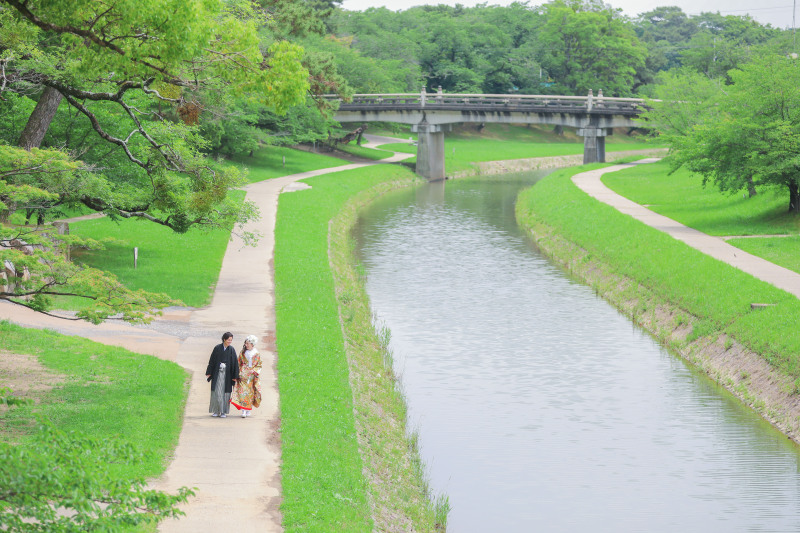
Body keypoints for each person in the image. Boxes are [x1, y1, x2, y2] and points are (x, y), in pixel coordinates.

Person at [206, 332, 239, 418]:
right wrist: (209, 372)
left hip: (227, 375)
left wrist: (235, 376)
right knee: (216, 392)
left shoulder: (232, 350)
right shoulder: (217, 348)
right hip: (217, 373)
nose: (230, 342)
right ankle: (216, 410)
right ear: (224, 339)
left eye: (231, 340)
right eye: (228, 340)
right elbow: (212, 360)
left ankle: (223, 411)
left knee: (225, 393)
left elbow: (235, 363)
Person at [230, 334, 262, 418]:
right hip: (243, 374)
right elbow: (238, 362)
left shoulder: (256, 353)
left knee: (250, 392)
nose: (246, 345)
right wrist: (238, 372)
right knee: (242, 392)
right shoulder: (243, 352)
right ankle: (243, 410)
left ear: (252, 344)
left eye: (248, 343)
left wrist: (254, 371)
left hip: (251, 376)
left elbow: (259, 365)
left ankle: (248, 409)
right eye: (246, 343)